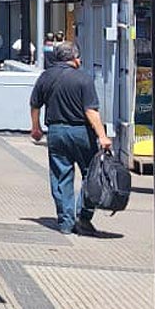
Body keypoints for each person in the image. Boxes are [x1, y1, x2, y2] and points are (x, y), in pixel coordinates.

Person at [28, 42, 113, 236]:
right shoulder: (84, 79)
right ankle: (82, 216)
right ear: (75, 58)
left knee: (60, 176)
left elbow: (34, 104)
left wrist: (36, 127)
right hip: (82, 132)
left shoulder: (45, 77)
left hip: (56, 132)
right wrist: (102, 136)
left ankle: (66, 222)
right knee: (91, 175)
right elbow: (90, 111)